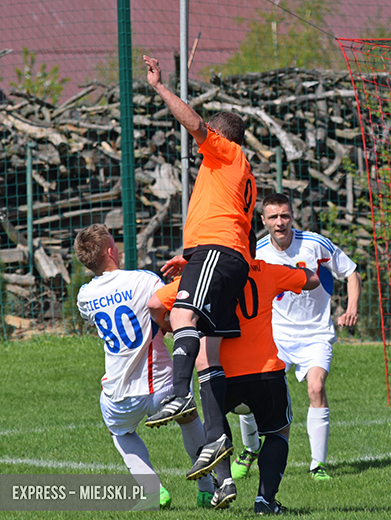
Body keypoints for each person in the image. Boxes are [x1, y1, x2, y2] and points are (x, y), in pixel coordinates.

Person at [141, 55, 257, 487]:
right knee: (208, 355)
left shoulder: (226, 152)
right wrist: (192, 259)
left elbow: (194, 124)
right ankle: (219, 450)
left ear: (219, 137)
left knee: (180, 314)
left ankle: (177, 394)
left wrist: (160, 87)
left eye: (206, 139)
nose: (198, 147)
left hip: (216, 252)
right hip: (225, 258)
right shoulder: (238, 174)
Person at [152, 255, 319, 512]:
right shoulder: (267, 270)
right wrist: (292, 269)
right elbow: (313, 279)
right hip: (265, 372)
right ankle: (265, 500)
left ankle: (225, 482)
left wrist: (177, 328)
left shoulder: (200, 276)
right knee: (277, 432)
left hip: (219, 373)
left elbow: (155, 304)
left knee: (216, 428)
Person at [73, 224, 215, 509]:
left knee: (120, 432)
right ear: (111, 251)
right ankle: (206, 489)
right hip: (163, 382)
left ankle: (153, 491)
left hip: (120, 392)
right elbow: (170, 309)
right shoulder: (144, 280)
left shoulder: (84, 296)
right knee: (188, 419)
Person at [231, 193, 362, 482]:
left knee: (316, 387)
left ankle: (318, 465)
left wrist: (351, 309)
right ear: (263, 220)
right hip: (275, 336)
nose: (280, 222)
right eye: (273, 217)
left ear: (292, 217)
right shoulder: (258, 252)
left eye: (285, 216)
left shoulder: (314, 244)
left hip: (315, 334)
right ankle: (250, 450)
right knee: (252, 394)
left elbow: (352, 272)